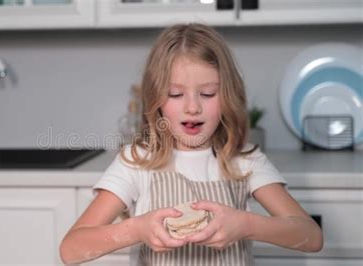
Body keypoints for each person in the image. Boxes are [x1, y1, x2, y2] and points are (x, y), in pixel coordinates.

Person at [59, 23, 323, 266]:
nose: (193, 107)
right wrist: (137, 229)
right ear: (156, 99)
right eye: (175, 94)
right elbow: (71, 249)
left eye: (207, 93)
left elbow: (310, 236)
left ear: (228, 96)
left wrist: (246, 224)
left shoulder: (243, 160)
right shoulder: (137, 162)